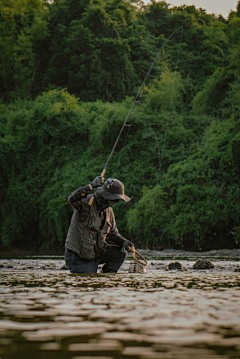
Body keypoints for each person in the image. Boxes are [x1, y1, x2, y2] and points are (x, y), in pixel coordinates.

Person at [64, 176, 135, 273]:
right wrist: (90, 186)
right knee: (88, 279)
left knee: (121, 253)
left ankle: (106, 276)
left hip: (95, 254)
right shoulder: (86, 203)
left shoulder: (109, 211)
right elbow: (72, 199)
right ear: (107, 196)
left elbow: (113, 234)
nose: (116, 202)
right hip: (77, 257)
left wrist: (124, 242)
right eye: (115, 199)